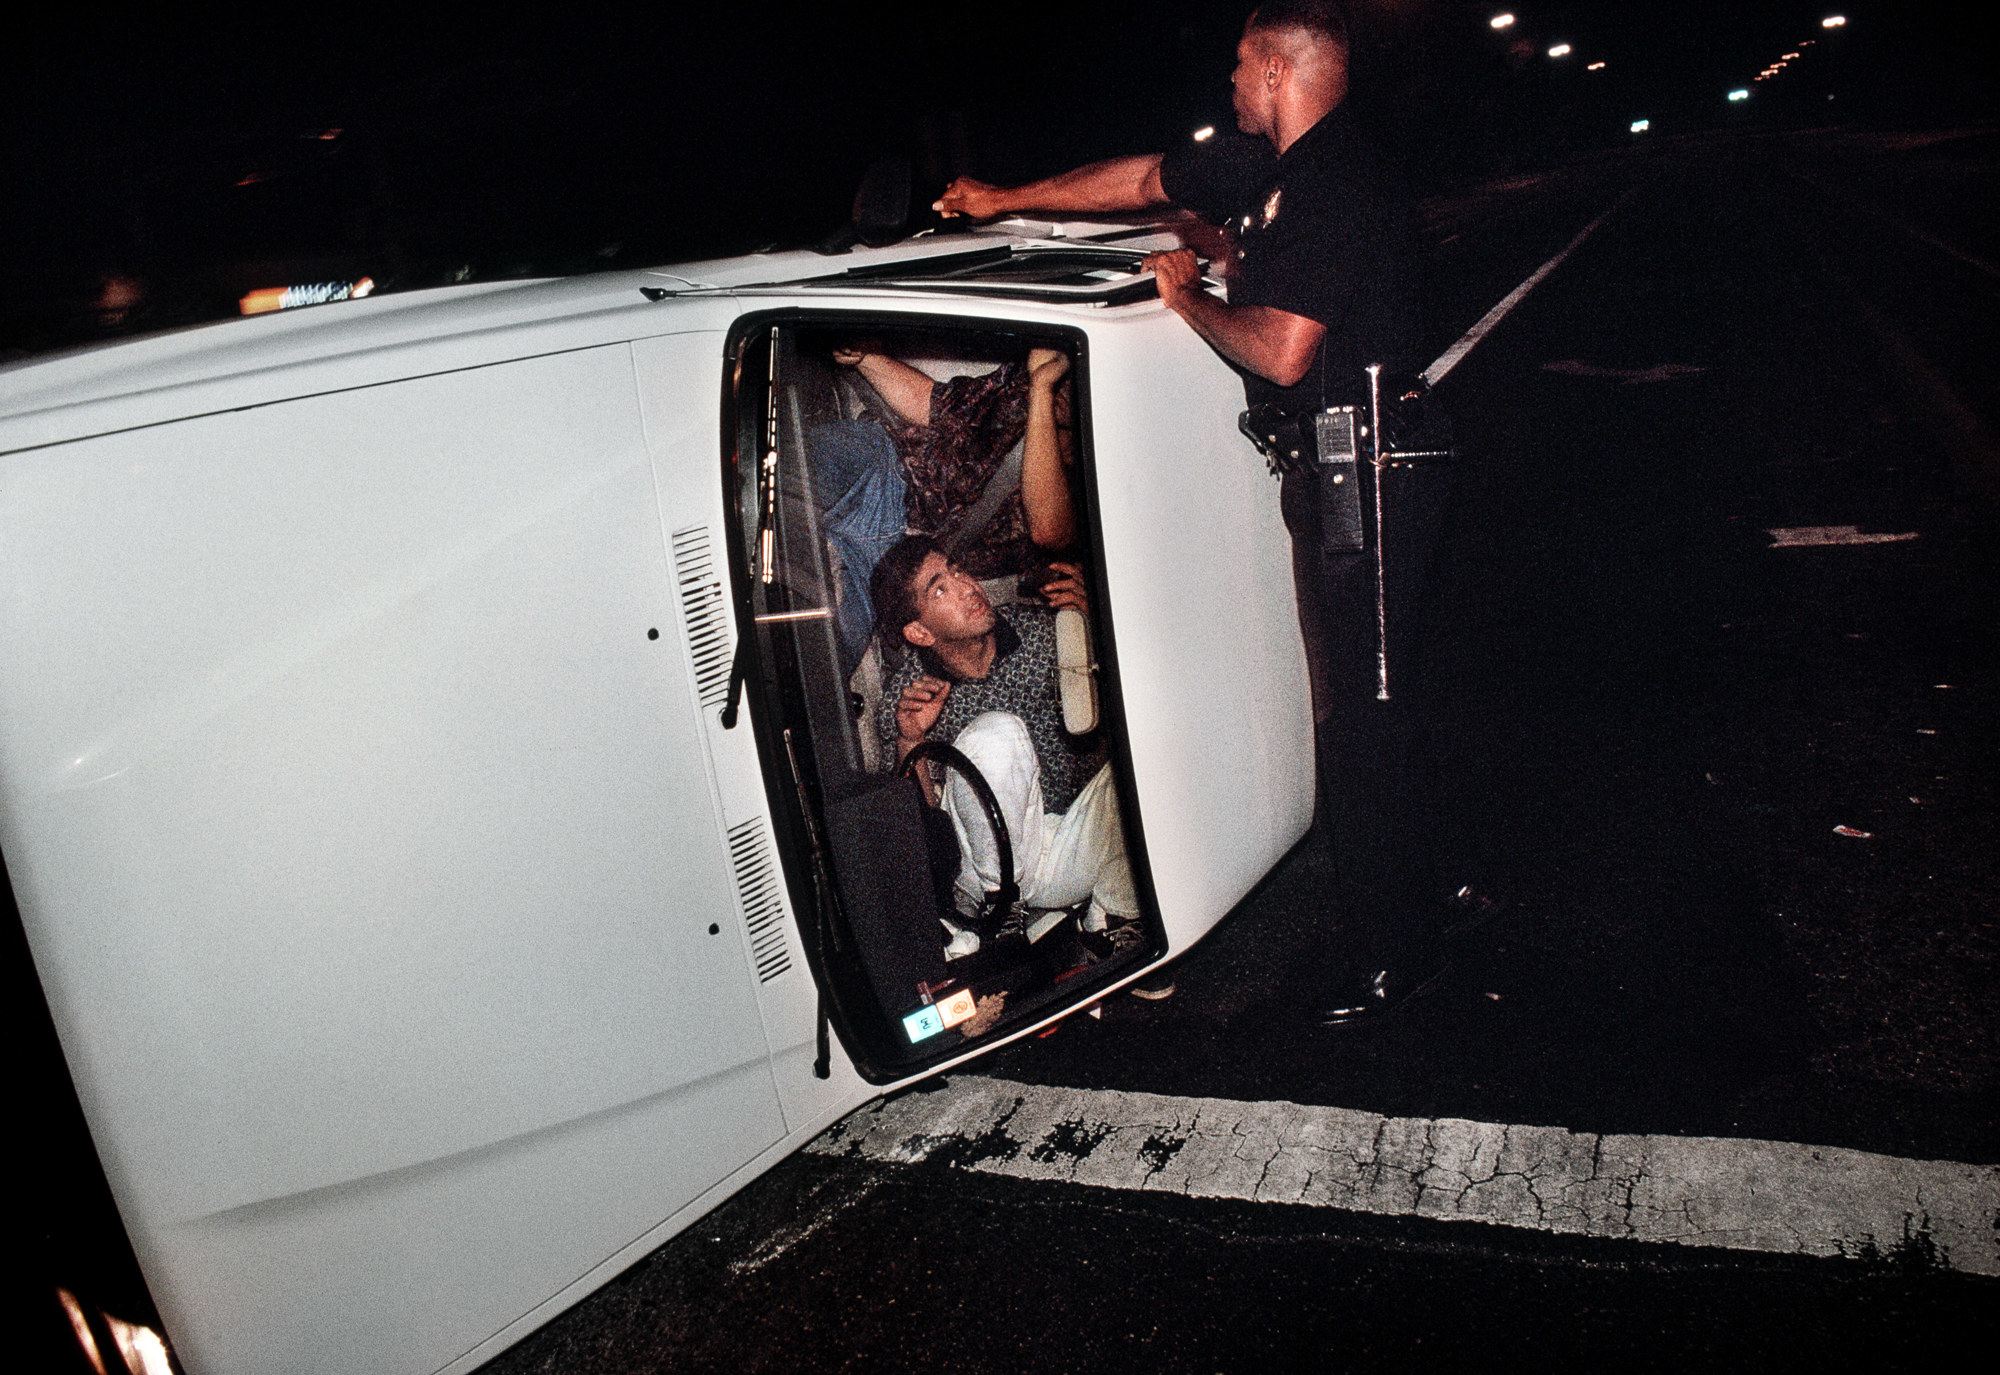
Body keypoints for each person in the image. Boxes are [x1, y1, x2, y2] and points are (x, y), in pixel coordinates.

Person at [935, 1, 1475, 1024]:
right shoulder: (1266, 168)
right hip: (1344, 460)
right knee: (1382, 698)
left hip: (1368, 460)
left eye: (1238, 65)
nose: (1227, 83)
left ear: (1276, 68)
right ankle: (1434, 888)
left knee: (1360, 713)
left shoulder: (1334, 181)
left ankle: (1394, 955)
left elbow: (1278, 351)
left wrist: (1187, 299)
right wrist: (1003, 197)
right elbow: (1140, 179)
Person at [869, 535, 1152, 985]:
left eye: (958, 569)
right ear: (919, 632)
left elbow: (1134, 698)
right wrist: (910, 741)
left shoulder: (1043, 632)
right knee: (998, 733)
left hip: (1056, 841)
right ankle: (1004, 910)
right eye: (939, 588)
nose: (966, 586)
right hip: (983, 879)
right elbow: (920, 840)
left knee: (1142, 771)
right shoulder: (908, 698)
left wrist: (1098, 616)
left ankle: (1108, 918)